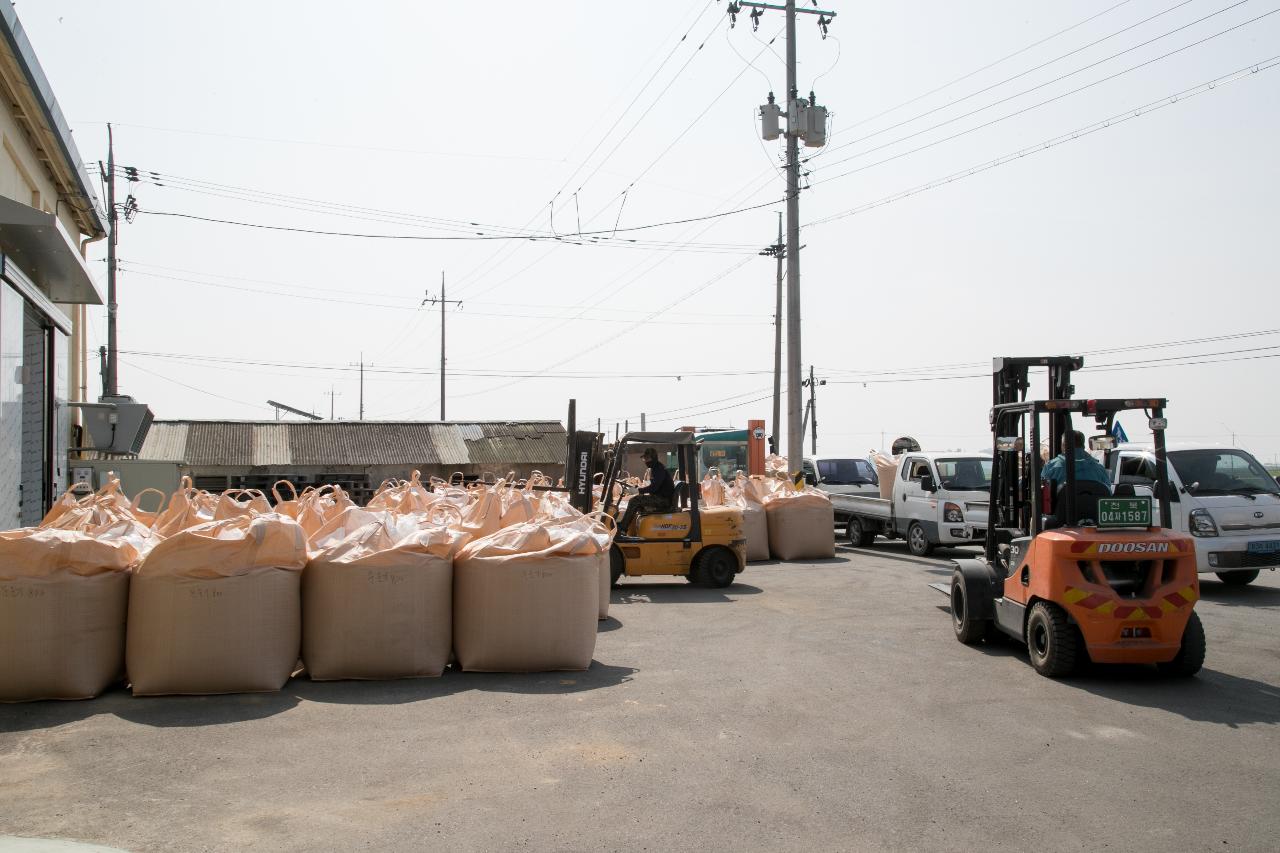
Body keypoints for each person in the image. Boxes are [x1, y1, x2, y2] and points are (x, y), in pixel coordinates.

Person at [618, 448, 675, 535]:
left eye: (647, 459)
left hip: (663, 500)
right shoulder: (655, 468)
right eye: (644, 459)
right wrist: (637, 488)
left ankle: (622, 528)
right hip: (660, 497)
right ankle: (631, 530)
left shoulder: (659, 469)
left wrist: (638, 491)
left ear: (654, 458)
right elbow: (654, 486)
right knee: (637, 504)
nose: (645, 461)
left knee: (634, 501)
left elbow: (654, 488)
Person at [1042, 430, 1112, 488]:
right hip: (1093, 505)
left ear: (1063, 445)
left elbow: (1043, 492)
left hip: (1062, 505)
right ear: (1083, 445)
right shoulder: (1099, 469)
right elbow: (1107, 493)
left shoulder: (1051, 467)